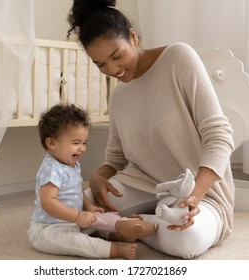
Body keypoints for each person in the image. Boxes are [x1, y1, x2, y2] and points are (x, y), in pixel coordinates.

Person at [67, 0, 235, 259]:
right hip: (141, 182)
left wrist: (194, 196)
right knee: (66, 209)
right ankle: (137, 225)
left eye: (116, 56)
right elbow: (116, 157)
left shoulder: (178, 57)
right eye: (100, 64)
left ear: (133, 37)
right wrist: (99, 177)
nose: (112, 70)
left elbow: (220, 136)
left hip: (195, 189)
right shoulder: (120, 95)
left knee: (186, 240)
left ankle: (123, 226)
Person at [27, 103, 157, 260]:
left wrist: (89, 207)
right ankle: (115, 249)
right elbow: (48, 203)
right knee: (78, 242)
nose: (82, 148)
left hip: (74, 221)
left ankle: (121, 227)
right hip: (50, 228)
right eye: (76, 143)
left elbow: (77, 190)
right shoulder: (51, 169)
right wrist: (77, 216)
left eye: (84, 142)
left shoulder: (71, 164)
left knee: (100, 219)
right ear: (52, 143)